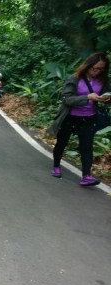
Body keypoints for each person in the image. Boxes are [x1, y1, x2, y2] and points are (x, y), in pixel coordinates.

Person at [48, 52, 111, 186]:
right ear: (88, 66)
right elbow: (67, 99)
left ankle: (86, 176)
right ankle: (56, 166)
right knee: (62, 142)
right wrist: (87, 97)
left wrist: (106, 99)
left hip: (89, 118)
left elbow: (105, 95)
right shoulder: (75, 78)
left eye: (101, 69)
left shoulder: (103, 81)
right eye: (95, 68)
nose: (97, 71)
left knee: (87, 147)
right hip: (70, 117)